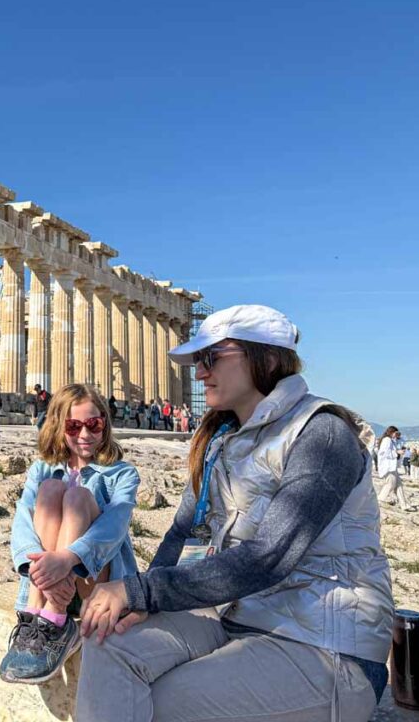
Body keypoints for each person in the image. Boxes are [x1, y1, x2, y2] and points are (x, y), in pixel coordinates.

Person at [75, 304, 393, 722]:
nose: (199, 373)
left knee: (166, 702)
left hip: (325, 644)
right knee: (107, 646)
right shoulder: (219, 440)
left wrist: (141, 590)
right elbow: (182, 534)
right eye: (198, 362)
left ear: (268, 358)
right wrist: (141, 601)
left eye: (211, 358)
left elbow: (270, 556)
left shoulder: (322, 435)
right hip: (236, 616)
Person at [0, 383, 139, 684]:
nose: (85, 434)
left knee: (77, 498)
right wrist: (39, 569)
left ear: (105, 423)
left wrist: (66, 559)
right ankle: (37, 618)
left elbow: (113, 527)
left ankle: (53, 619)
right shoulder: (42, 470)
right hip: (46, 581)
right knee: (51, 489)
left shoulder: (122, 473)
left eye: (94, 424)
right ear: (59, 428)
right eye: (74, 426)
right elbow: (23, 519)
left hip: (94, 583)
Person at [376, 426, 412, 510]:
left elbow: (402, 441)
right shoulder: (387, 440)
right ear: (392, 432)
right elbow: (384, 453)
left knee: (399, 486)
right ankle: (380, 499)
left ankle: (404, 505)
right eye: (396, 433)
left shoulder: (392, 441)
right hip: (388, 467)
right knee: (390, 484)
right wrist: (397, 452)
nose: (397, 435)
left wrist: (398, 450)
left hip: (392, 467)